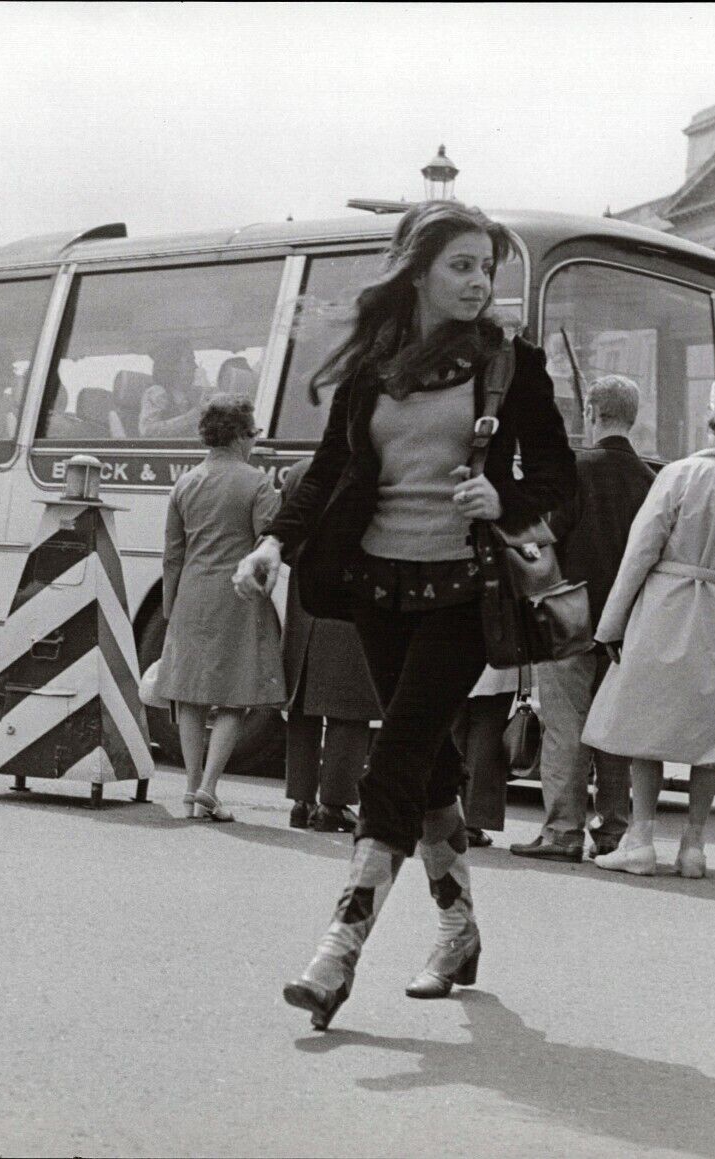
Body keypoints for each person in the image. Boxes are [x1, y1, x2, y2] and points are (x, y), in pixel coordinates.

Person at [233, 201, 574, 1028]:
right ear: (418, 272)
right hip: (377, 587)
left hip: (465, 588)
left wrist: (507, 497)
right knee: (426, 769)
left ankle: (338, 949)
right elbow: (328, 471)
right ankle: (457, 929)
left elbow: (562, 476)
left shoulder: (510, 365)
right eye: (461, 266)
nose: (478, 282)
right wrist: (275, 544)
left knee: (396, 757)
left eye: (487, 268)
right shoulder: (374, 366)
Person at [583, 373, 715, 879]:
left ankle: (641, 839)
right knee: (713, 734)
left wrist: (612, 624)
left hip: (667, 606)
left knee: (645, 725)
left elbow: (640, 554)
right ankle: (694, 846)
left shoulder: (679, 475)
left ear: (714, 425)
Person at [509, 374, 655, 863]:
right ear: (632, 417)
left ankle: (563, 832)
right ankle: (613, 832)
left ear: (591, 412)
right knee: (615, 729)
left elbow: (540, 538)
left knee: (565, 725)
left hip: (568, 614)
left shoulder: (573, 469)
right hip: (627, 623)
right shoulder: (652, 480)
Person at [159, 393, 285, 821]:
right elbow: (267, 546)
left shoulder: (185, 483)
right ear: (240, 435)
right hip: (238, 596)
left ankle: (191, 789)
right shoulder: (258, 484)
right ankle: (211, 786)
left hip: (191, 596)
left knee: (190, 697)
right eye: (252, 434)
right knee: (234, 698)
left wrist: (169, 607)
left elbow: (172, 555)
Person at [278, 455, 380, 833]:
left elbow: (283, 536)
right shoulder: (375, 469)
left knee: (303, 705)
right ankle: (334, 805)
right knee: (349, 707)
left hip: (305, 600)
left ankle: (301, 801)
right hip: (352, 599)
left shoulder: (303, 470)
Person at [453, 665, 516, 847]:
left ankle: (442, 815)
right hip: (497, 659)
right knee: (487, 735)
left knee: (452, 731)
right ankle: (472, 823)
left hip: (450, 654)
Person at [139, 342, 207, 438]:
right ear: (172, 366)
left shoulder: (191, 394)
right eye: (189, 361)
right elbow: (148, 431)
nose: (195, 366)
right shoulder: (157, 392)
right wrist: (190, 417)